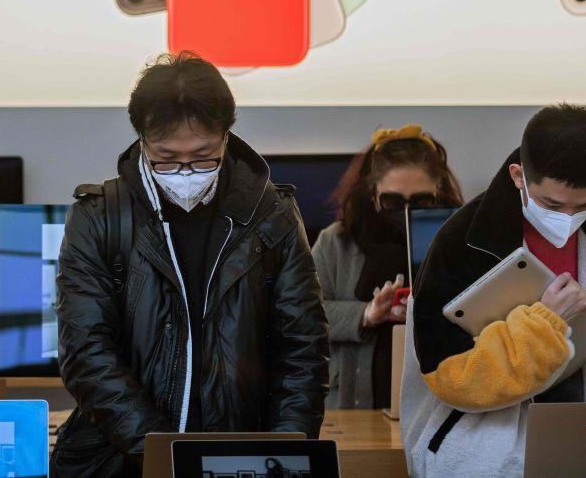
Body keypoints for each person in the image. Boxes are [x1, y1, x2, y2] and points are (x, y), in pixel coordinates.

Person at [51, 52, 329, 477]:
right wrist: (166, 457)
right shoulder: (100, 217)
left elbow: (302, 347)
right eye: (165, 159)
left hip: (242, 455)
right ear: (141, 140)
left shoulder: (271, 214)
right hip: (122, 458)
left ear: (226, 136)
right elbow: (87, 352)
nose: (185, 173)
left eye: (203, 157)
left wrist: (284, 455)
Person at [400, 104, 586, 476]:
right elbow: (451, 376)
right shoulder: (462, 241)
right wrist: (547, 323)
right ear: (518, 176)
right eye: (552, 204)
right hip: (478, 458)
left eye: (585, 205)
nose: (568, 219)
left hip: (579, 448)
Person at [311, 124, 463, 409]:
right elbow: (304, 315)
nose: (406, 211)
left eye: (421, 201)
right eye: (392, 201)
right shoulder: (336, 242)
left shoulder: (455, 240)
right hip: (354, 402)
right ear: (373, 194)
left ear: (438, 192)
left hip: (436, 400)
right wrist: (367, 314)